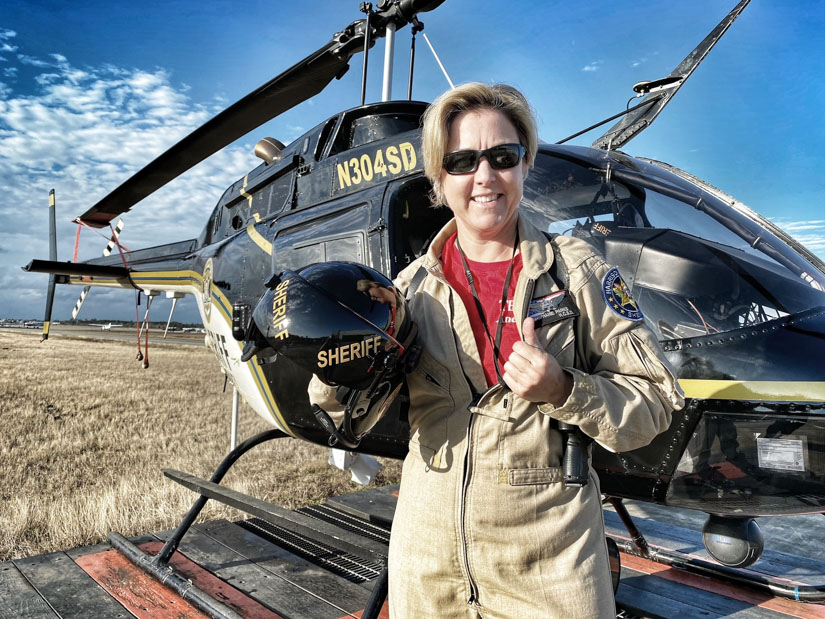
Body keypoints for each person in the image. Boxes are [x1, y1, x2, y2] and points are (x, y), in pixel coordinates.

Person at [312, 82, 684, 618]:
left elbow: (653, 404)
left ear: (525, 163)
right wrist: (333, 360)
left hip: (550, 564)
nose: (484, 176)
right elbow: (345, 419)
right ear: (439, 178)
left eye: (502, 156)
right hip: (429, 561)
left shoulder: (578, 274)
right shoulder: (409, 291)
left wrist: (564, 389)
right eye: (462, 161)